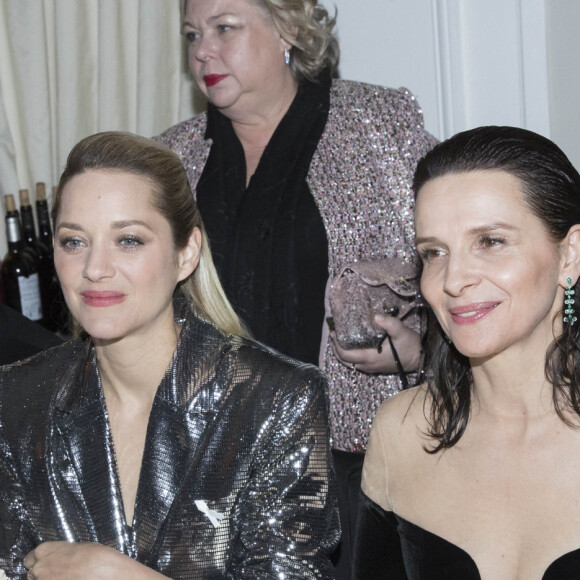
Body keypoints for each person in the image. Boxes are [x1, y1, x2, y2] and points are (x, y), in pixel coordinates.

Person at [157, 2, 436, 573]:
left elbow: (453, 261)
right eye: (192, 35)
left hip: (360, 467)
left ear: (288, 29)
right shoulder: (170, 159)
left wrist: (421, 349)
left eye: (224, 28)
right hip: (216, 467)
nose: (202, 51)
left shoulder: (378, 124)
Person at [0, 132, 339, 579]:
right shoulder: (15, 399)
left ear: (186, 254)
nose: (94, 269)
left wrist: (119, 575)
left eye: (129, 241)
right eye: (74, 242)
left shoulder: (277, 401)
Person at [353, 126, 580, 579]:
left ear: (571, 255)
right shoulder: (402, 431)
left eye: (490, 242)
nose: (453, 279)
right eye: (434, 252)